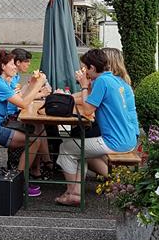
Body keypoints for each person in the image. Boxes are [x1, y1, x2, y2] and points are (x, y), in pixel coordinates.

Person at [54, 47, 139, 207]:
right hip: (128, 138)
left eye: (85, 68)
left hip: (115, 141)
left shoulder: (101, 81)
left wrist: (84, 86)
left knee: (66, 147)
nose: (84, 71)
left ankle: (73, 194)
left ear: (92, 68)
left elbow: (87, 110)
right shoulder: (116, 80)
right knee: (78, 147)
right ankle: (76, 192)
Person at [0, 50, 50, 197]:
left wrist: (33, 85)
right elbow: (24, 104)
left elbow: (21, 100)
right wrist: (38, 83)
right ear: (2, 66)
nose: (15, 66)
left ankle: (25, 175)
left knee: (36, 132)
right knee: (34, 140)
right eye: (12, 64)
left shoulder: (0, 81)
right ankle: (19, 182)